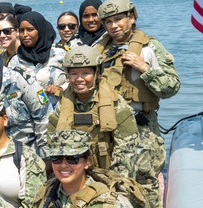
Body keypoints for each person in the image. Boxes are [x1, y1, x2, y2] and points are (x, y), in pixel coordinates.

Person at [93, 0, 180, 208]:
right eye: (108, 22)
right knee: (110, 185)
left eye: (119, 19)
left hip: (141, 131)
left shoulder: (149, 48)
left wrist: (145, 68)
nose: (114, 26)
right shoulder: (101, 49)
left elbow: (172, 86)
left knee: (146, 186)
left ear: (132, 17)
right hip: (108, 131)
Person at [49, 47, 144, 179]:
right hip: (73, 173)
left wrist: (113, 182)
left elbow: (127, 148)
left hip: (109, 173)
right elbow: (53, 144)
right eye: (74, 74)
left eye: (86, 73)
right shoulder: (63, 105)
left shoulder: (114, 102)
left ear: (97, 73)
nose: (79, 79)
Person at [8, 10, 67, 103]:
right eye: (21, 30)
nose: (25, 34)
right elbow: (10, 92)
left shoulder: (60, 55)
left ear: (40, 30)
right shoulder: (15, 61)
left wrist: (61, 89)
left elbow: (75, 80)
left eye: (30, 29)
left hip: (59, 111)